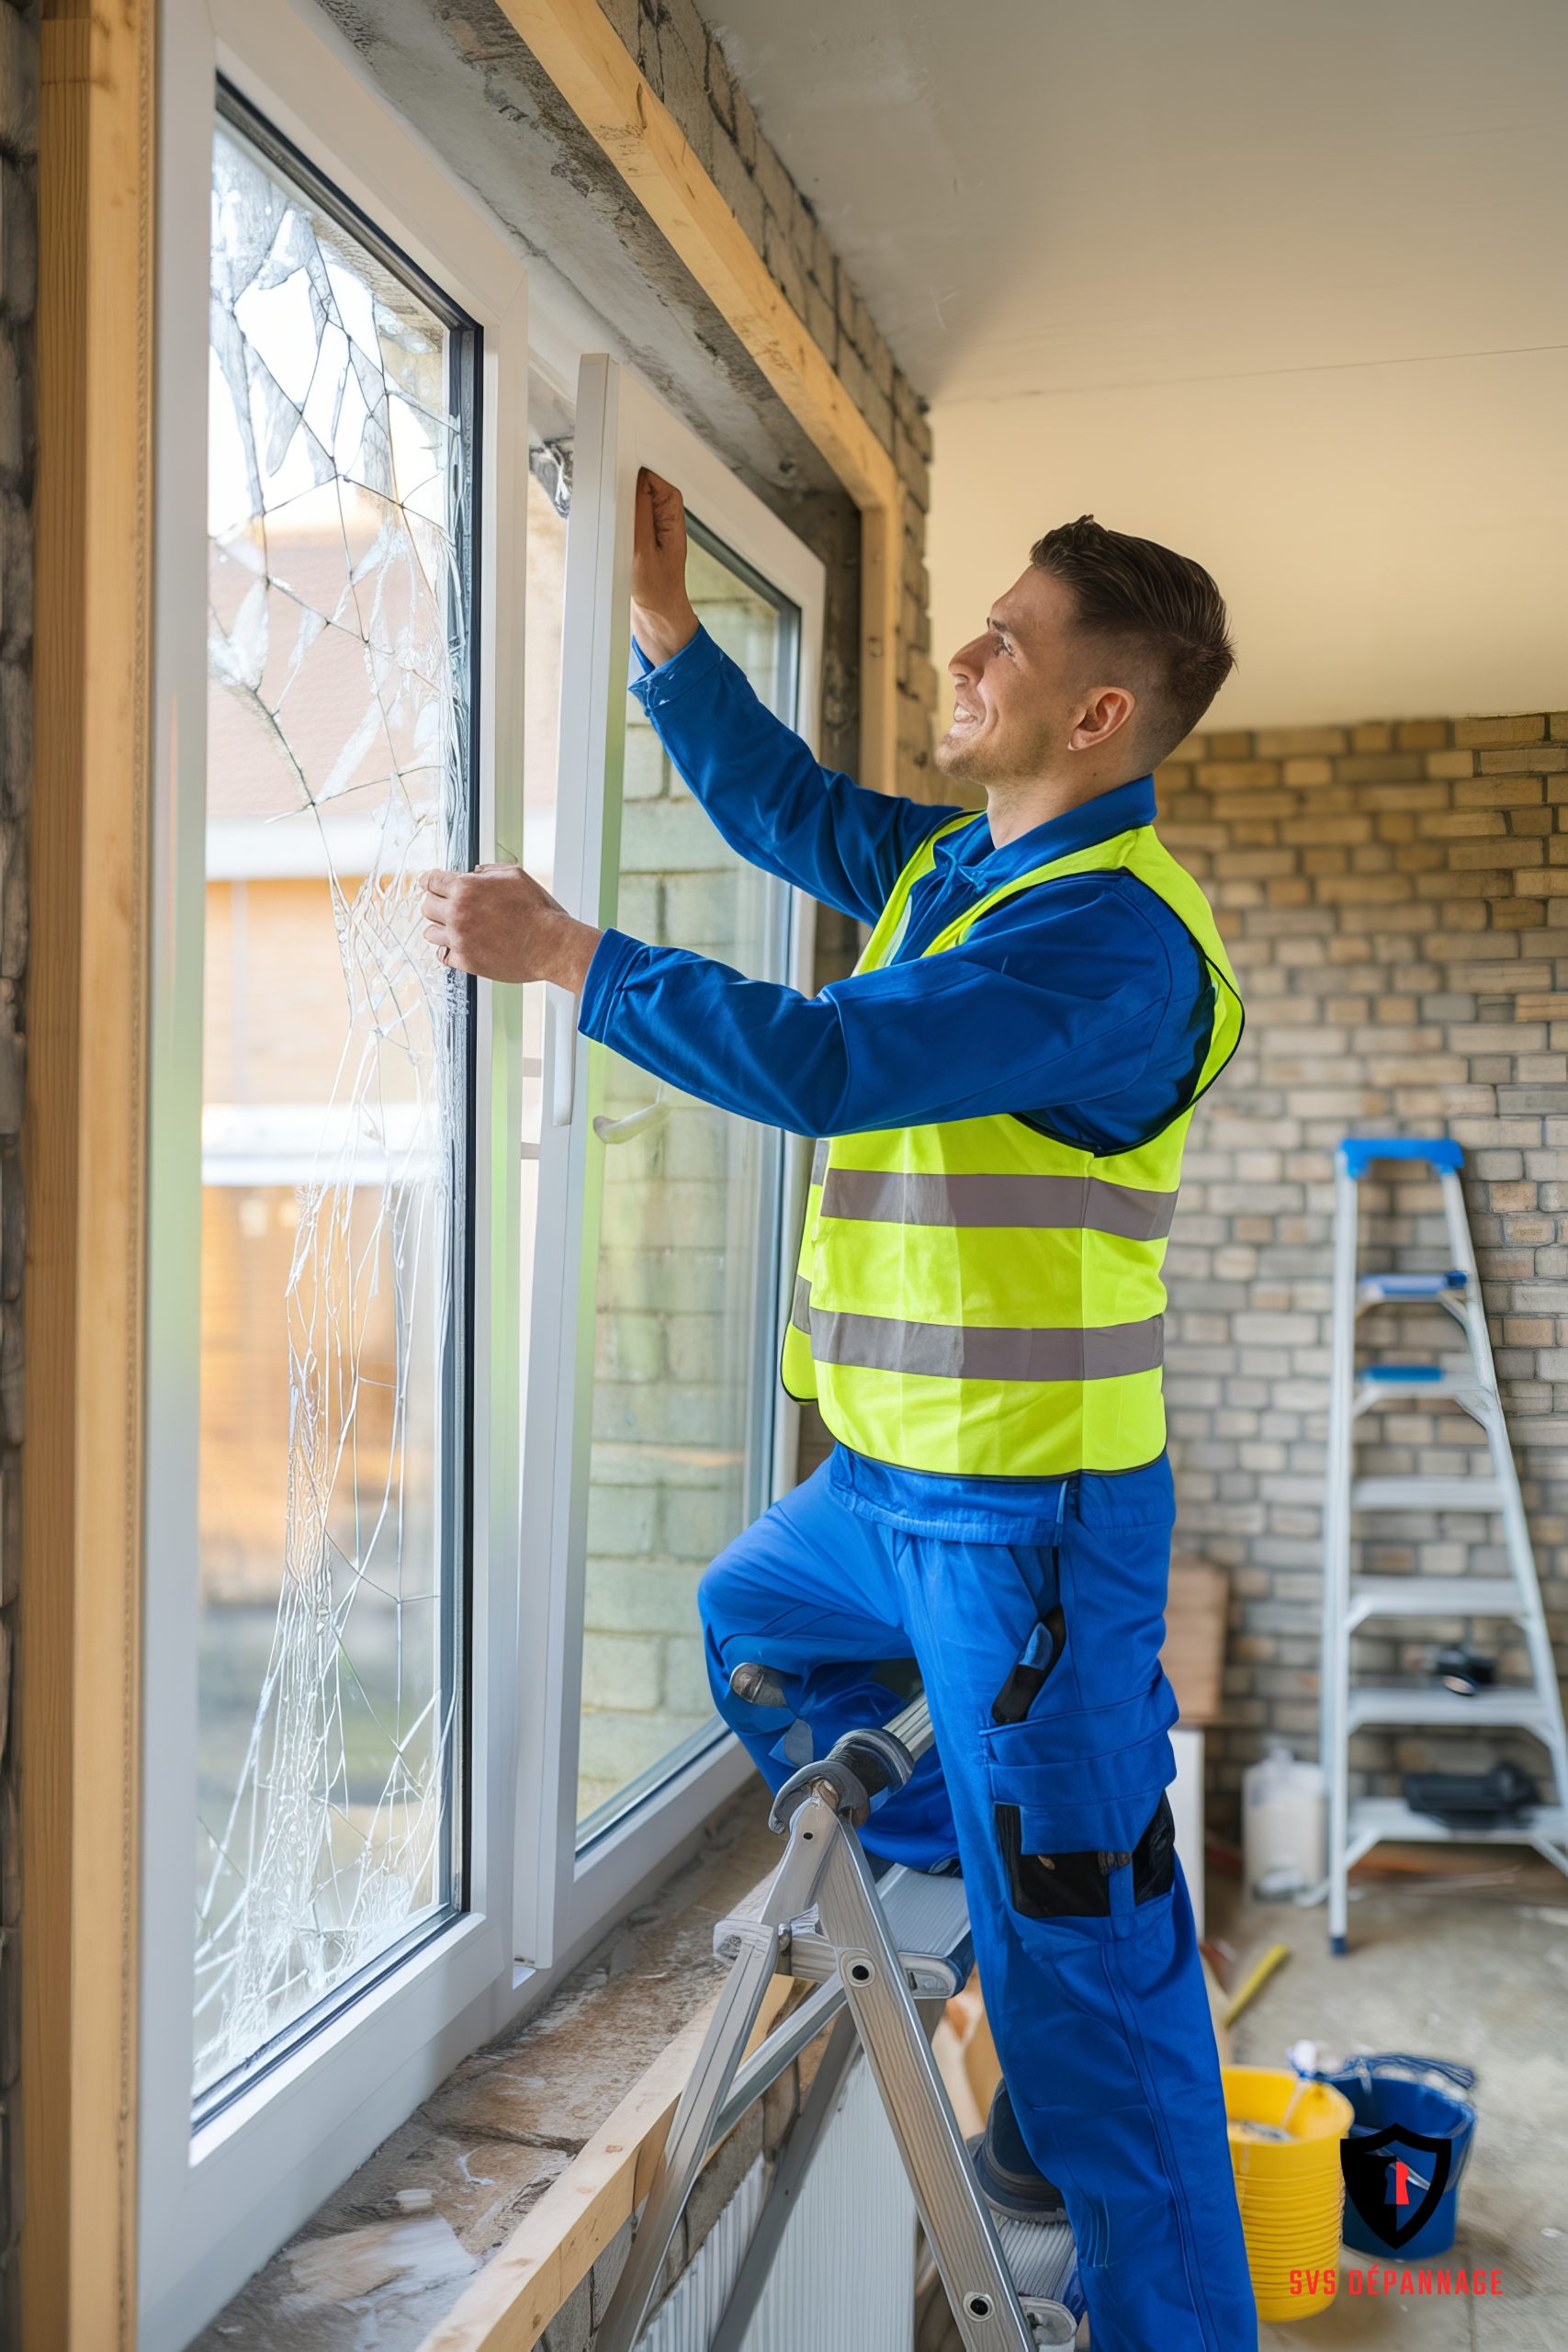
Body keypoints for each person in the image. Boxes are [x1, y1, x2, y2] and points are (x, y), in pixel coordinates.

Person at [421, 470, 1257, 2352]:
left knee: (1099, 1999)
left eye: (1004, 642)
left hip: (1029, 1530)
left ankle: (1150, 2280)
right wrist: (662, 637)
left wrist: (571, 958)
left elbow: (833, 1064)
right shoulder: (964, 869)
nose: (962, 659)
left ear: (1097, 713)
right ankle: (987, 1914)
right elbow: (786, 811)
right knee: (751, 1622)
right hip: (882, 1497)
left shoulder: (1113, 943)